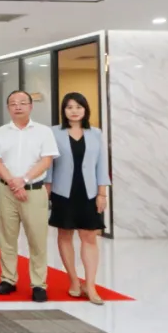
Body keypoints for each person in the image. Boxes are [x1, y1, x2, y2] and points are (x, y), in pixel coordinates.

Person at [0, 89, 60, 302]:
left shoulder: (43, 132)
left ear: (31, 106)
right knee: (7, 237)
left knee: (37, 239)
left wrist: (24, 180)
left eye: (22, 102)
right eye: (13, 103)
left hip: (34, 191)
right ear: (8, 108)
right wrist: (14, 182)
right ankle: (8, 279)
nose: (18, 106)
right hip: (6, 190)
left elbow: (46, 161)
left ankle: (38, 283)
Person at [46, 92, 111, 305]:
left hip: (89, 192)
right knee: (64, 235)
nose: (74, 111)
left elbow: (102, 165)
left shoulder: (95, 133)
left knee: (89, 237)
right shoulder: (54, 132)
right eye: (69, 107)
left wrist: (102, 193)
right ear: (63, 110)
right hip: (63, 191)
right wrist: (47, 190)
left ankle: (90, 285)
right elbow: (49, 163)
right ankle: (74, 280)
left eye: (78, 107)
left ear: (85, 109)